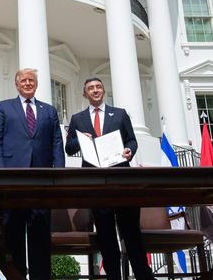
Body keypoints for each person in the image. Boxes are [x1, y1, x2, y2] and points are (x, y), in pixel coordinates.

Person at [65, 77, 155, 280]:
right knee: (106, 235)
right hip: (96, 182)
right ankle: (113, 276)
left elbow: (132, 139)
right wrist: (80, 141)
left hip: (122, 179)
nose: (95, 90)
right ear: (85, 93)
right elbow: (69, 148)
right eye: (90, 88)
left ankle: (143, 275)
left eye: (98, 87)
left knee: (131, 232)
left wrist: (129, 151)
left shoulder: (120, 114)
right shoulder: (78, 119)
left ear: (103, 91)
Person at [0, 68, 64, 280]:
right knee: (13, 237)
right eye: (24, 80)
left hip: (41, 182)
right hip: (13, 181)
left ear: (36, 84)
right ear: (17, 84)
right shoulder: (4, 108)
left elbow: (57, 144)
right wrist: (0, 175)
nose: (28, 83)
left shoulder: (49, 111)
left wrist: (58, 175)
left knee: (40, 236)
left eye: (31, 80)